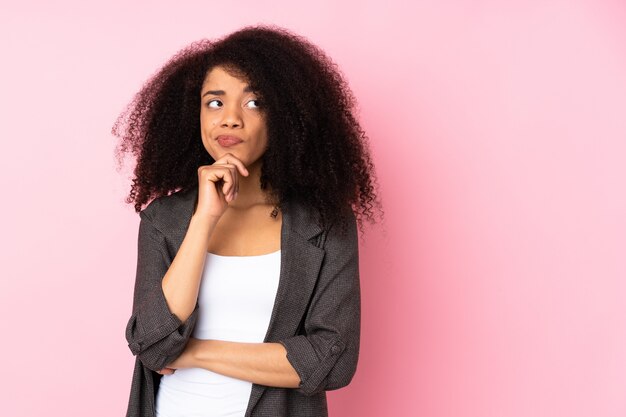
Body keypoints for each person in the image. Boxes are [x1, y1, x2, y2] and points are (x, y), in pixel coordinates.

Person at [112, 24, 381, 417]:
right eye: (215, 103)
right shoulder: (164, 220)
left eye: (254, 102)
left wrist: (196, 352)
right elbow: (152, 342)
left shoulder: (325, 224)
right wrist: (204, 218)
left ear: (286, 117)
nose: (230, 119)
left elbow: (331, 360)